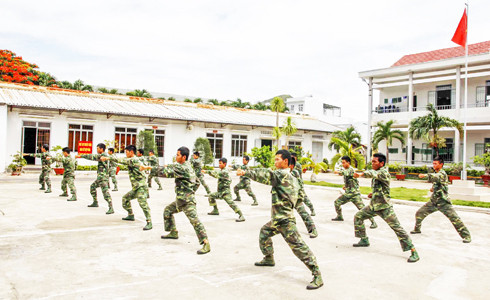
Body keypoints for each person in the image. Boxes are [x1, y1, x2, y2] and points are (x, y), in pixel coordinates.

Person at [237, 149, 323, 290]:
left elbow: (265, 174)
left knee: (299, 248)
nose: (275, 161)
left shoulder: (281, 175)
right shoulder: (293, 178)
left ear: (285, 161)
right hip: (278, 220)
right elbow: (299, 197)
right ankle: (269, 258)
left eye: (277, 159)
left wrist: (246, 172)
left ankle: (317, 275)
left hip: (285, 221)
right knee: (264, 232)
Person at [353, 153, 419, 263]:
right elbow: (380, 188)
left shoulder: (383, 172)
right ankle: (364, 239)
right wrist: (373, 194)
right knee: (358, 216)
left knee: (398, 229)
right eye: (372, 161)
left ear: (381, 163)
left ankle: (413, 251)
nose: (372, 163)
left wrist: (361, 174)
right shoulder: (378, 173)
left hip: (384, 208)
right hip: (374, 205)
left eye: (374, 162)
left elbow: (372, 173)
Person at [156, 146, 210, 255]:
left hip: (187, 201)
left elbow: (163, 172)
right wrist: (191, 190)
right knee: (168, 211)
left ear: (184, 157)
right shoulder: (187, 166)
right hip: (180, 200)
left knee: (195, 221)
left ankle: (206, 243)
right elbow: (197, 182)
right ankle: (173, 232)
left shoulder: (182, 168)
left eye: (178, 155)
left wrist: (147, 168)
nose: (176, 157)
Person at [413, 156, 471, 243]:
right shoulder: (437, 173)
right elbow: (437, 182)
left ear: (441, 164)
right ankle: (417, 229)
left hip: (443, 202)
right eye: (433, 163)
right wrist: (433, 188)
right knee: (419, 213)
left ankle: (466, 236)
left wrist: (425, 175)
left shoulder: (442, 173)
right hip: (433, 202)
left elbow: (436, 177)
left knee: (455, 219)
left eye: (436, 164)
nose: (434, 165)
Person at [102, 145, 152, 230]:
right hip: (136, 187)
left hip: (141, 186)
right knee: (125, 199)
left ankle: (149, 222)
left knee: (143, 204)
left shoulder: (134, 160)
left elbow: (121, 160)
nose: (125, 154)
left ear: (131, 152)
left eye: (126, 152)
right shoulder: (132, 159)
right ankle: (131, 215)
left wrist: (107, 158)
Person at [332, 156, 377, 229]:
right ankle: (339, 216)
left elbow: (345, 173)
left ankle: (373, 222)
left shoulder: (351, 170)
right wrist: (346, 186)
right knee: (337, 203)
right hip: (348, 193)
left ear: (348, 162)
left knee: (362, 209)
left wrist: (338, 172)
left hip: (354, 194)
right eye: (342, 163)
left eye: (344, 163)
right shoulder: (347, 170)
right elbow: (350, 180)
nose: (343, 164)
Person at [204, 157, 245, 222]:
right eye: (219, 163)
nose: (219, 165)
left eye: (220, 163)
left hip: (226, 192)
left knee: (231, 204)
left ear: (224, 164)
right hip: (220, 192)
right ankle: (215, 210)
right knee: (211, 196)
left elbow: (215, 174)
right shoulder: (222, 170)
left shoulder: (224, 172)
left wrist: (206, 171)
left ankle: (241, 215)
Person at [76, 143, 113, 214]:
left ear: (101, 149)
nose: (97, 150)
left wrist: (81, 156)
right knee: (92, 187)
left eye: (98, 148)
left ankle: (111, 208)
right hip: (100, 177)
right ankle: (95, 202)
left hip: (103, 178)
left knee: (105, 193)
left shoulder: (103, 156)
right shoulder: (103, 155)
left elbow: (92, 156)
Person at [289, 157, 318, 238]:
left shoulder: (294, 172)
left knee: (303, 213)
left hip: (296, 196)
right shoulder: (287, 171)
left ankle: (313, 229)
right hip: (287, 197)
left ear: (291, 165)